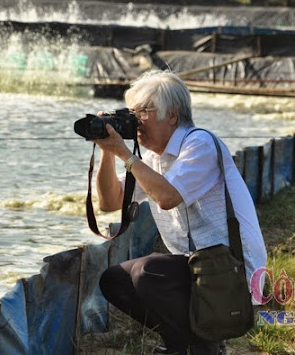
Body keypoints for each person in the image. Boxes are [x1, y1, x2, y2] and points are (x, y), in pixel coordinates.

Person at [92, 69, 267, 355]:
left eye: (143, 112)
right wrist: (107, 152)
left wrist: (126, 154)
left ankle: (204, 347)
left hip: (231, 270)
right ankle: (185, 344)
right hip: (198, 268)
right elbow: (110, 202)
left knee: (149, 272)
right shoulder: (151, 159)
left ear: (171, 115)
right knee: (114, 280)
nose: (135, 121)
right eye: (132, 113)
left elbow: (167, 196)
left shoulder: (200, 144)